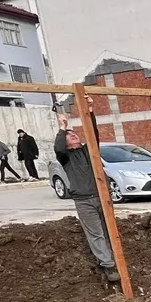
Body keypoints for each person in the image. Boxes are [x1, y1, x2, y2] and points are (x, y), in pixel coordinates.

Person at [53, 113, 120, 283]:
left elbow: (93, 132)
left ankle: (116, 259)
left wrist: (90, 111)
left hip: (102, 197)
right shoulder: (66, 157)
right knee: (96, 234)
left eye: (74, 133)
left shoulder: (89, 151)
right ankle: (108, 265)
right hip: (84, 201)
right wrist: (62, 127)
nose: (73, 134)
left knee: (109, 231)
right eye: (69, 135)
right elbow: (58, 148)